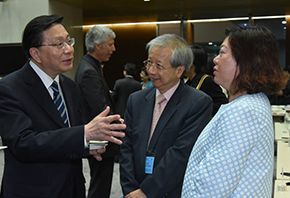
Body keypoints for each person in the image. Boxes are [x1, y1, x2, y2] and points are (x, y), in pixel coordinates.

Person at [0, 15, 126, 198]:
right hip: (33, 191)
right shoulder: (10, 88)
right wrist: (84, 134)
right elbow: (23, 143)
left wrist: (88, 146)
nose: (69, 50)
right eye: (59, 44)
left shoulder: (69, 86)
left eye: (69, 41)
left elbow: (66, 136)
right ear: (36, 54)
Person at [182, 25, 288, 198]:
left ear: (246, 61)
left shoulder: (243, 112)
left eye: (223, 53)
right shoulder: (251, 103)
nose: (215, 59)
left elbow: (212, 188)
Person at [119, 34, 213, 198]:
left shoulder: (198, 103)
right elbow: (126, 147)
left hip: (170, 192)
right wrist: (130, 190)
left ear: (179, 70)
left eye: (159, 66)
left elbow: (180, 154)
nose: (151, 71)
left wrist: (146, 192)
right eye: (149, 63)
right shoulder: (137, 99)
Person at [74, 25, 117, 198]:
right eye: (110, 44)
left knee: (100, 181)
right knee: (100, 184)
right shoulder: (89, 71)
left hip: (99, 136)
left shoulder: (90, 65)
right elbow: (101, 109)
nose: (113, 49)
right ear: (98, 45)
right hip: (100, 138)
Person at [185, 44, 228, 116]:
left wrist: (202, 111)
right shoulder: (189, 81)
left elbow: (222, 103)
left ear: (192, 63)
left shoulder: (207, 81)